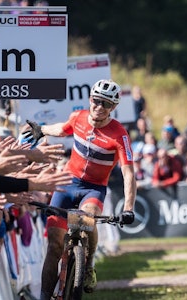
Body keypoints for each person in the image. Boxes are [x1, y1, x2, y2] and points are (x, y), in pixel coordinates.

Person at [25, 79, 136, 299]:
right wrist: (41, 130)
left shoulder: (119, 135)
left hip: (93, 190)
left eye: (105, 104)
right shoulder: (79, 117)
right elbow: (61, 128)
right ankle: (45, 297)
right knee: (54, 246)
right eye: (96, 101)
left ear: (113, 107)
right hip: (66, 183)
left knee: (87, 221)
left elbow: (129, 173)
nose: (99, 107)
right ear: (90, 99)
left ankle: (88, 264)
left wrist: (129, 208)